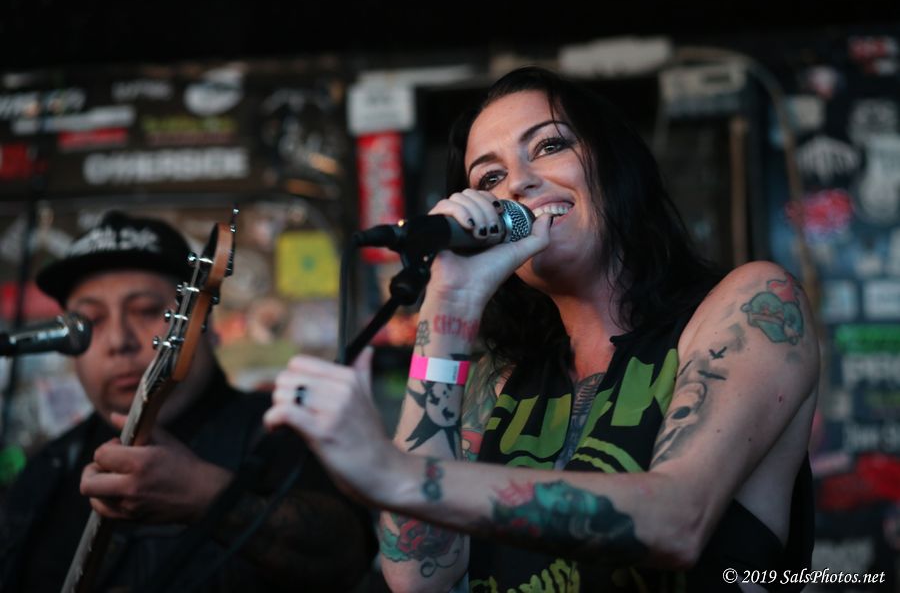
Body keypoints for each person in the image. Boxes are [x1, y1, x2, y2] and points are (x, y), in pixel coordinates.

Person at [265, 66, 819, 592]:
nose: (520, 184)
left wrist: (395, 474)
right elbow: (418, 575)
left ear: (614, 163)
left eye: (550, 146)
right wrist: (449, 305)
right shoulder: (499, 380)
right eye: (491, 177)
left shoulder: (753, 304)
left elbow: (679, 520)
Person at [0, 211, 375, 592]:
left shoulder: (285, 432)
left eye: (147, 310)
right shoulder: (50, 466)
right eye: (90, 320)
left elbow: (346, 557)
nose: (118, 340)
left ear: (202, 323)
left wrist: (207, 497)